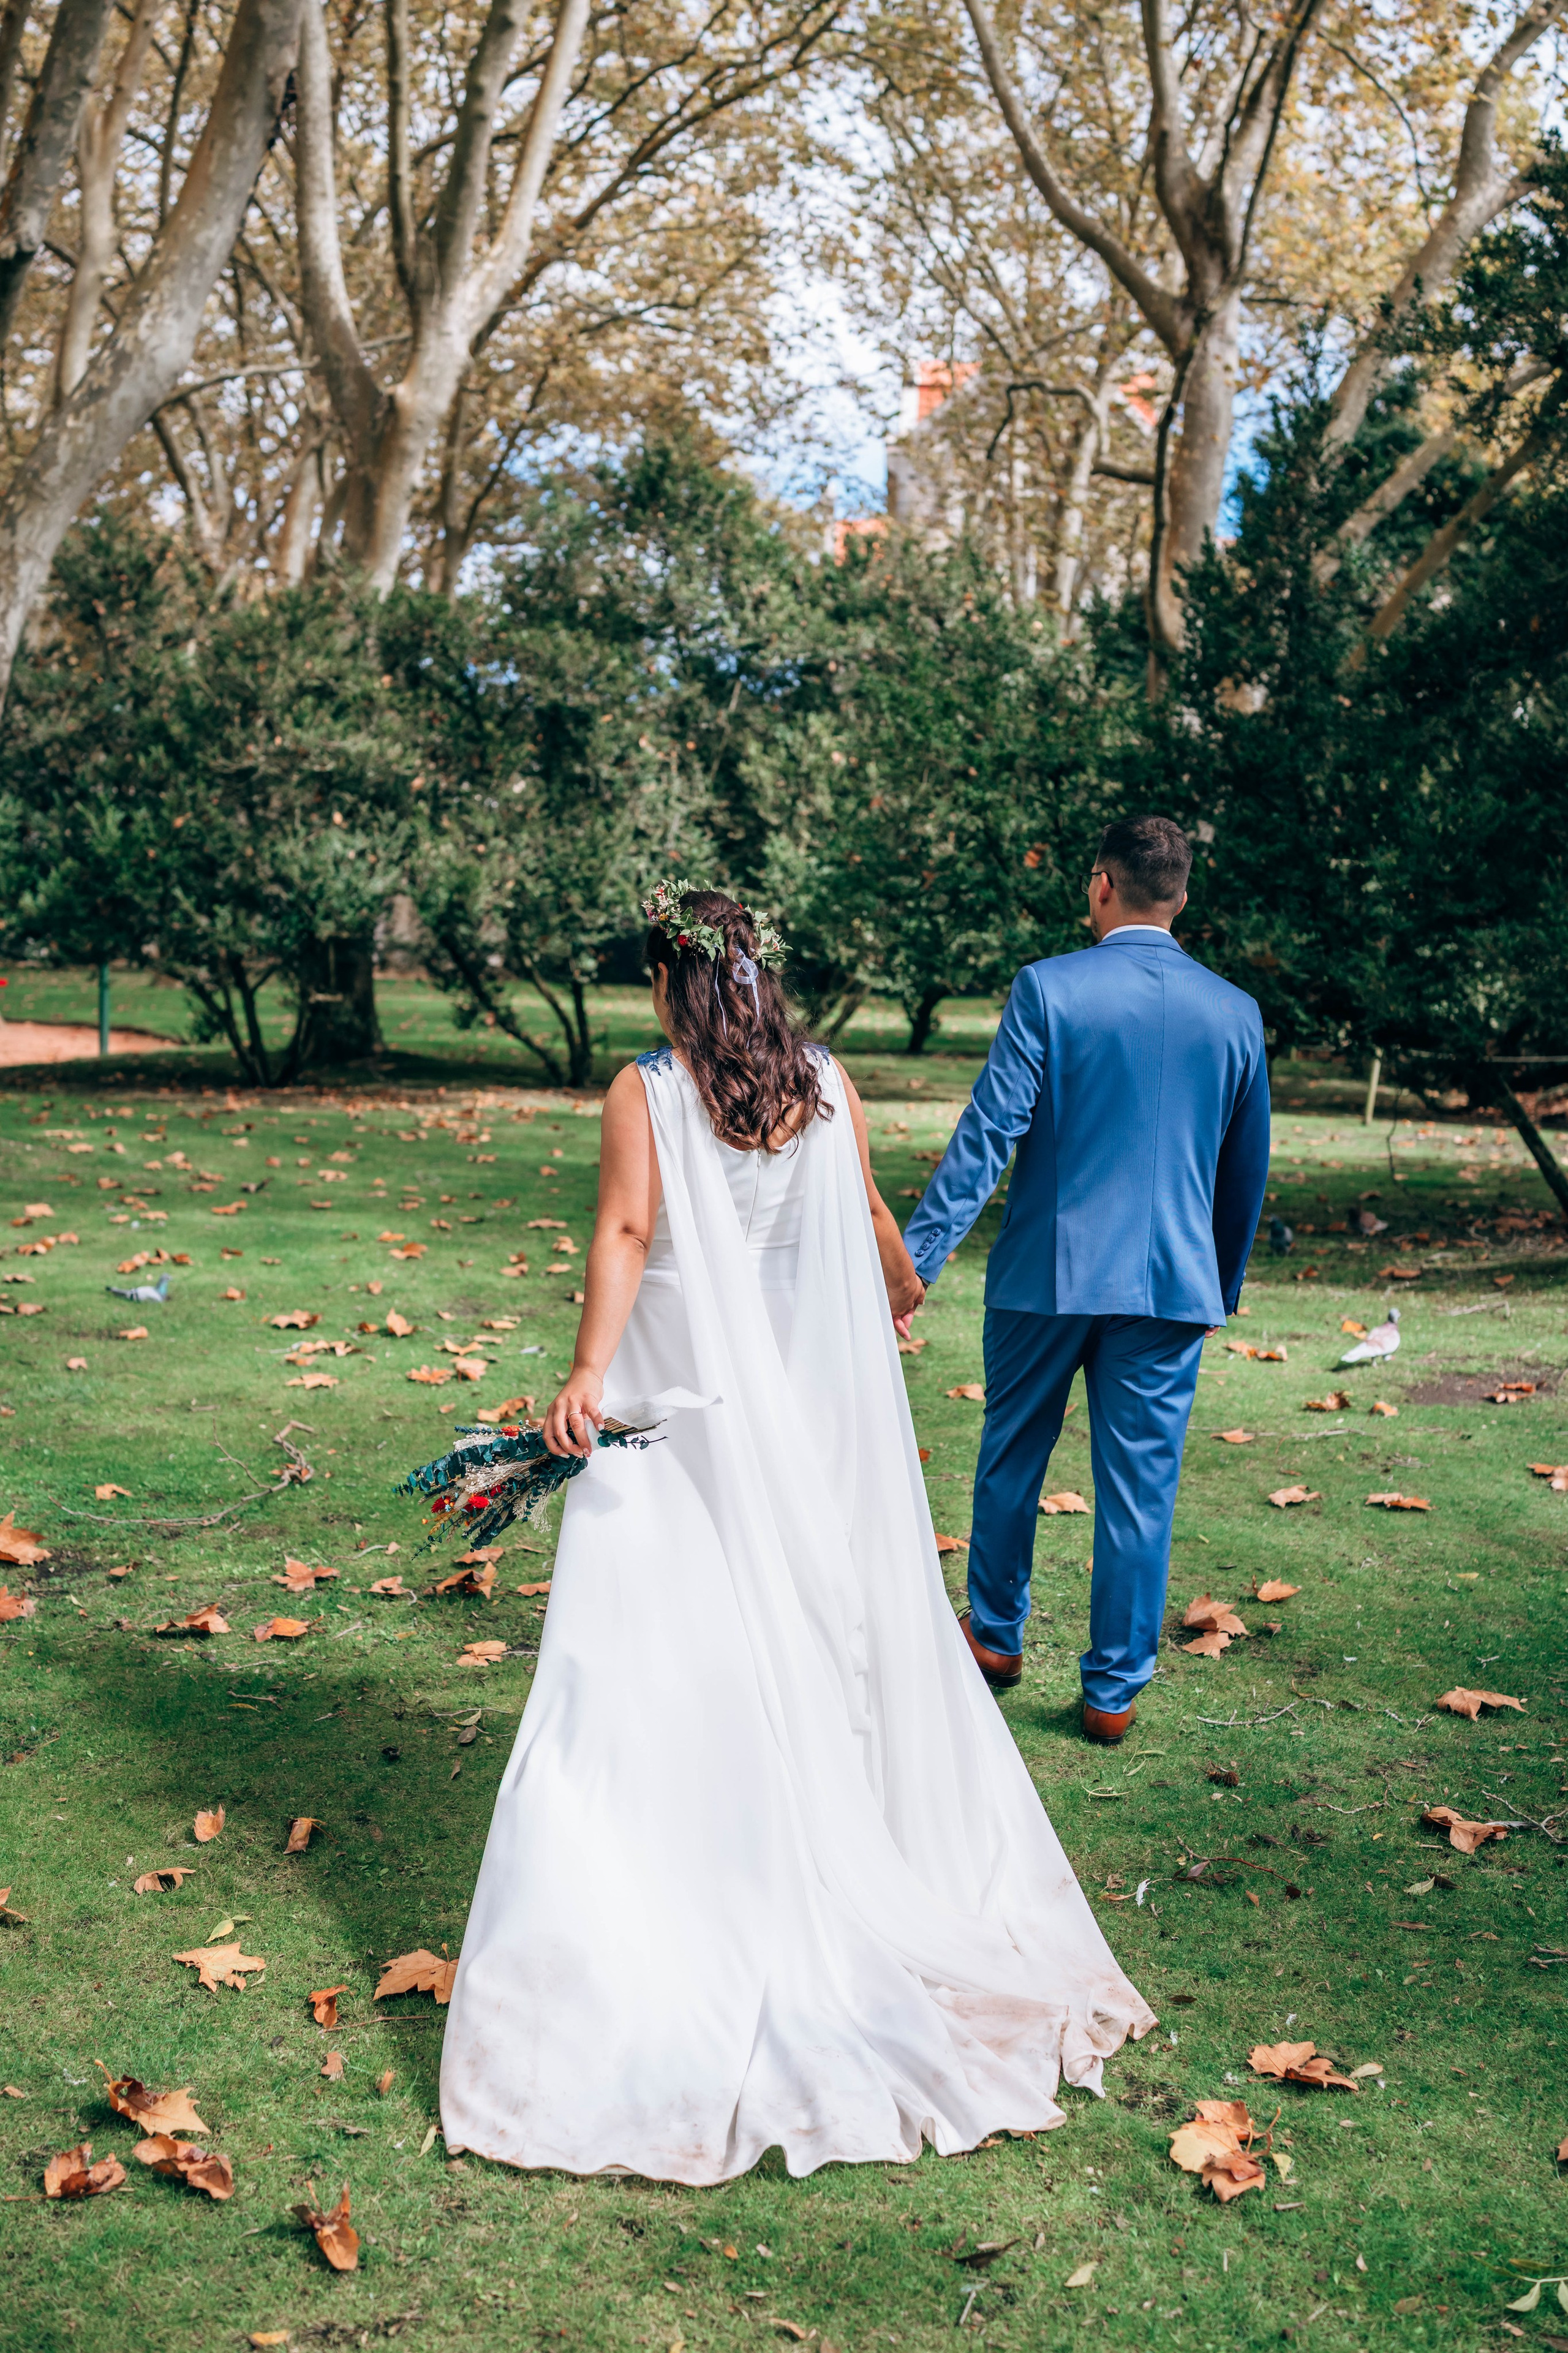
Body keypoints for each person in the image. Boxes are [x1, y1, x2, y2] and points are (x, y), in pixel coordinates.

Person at [439, 882, 1155, 2186]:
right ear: (753, 971)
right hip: (796, 1430)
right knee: (779, 1651)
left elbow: (624, 1228)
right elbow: (869, 1216)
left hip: (673, 1416)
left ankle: (658, 1917)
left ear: (669, 980)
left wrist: (586, 1370)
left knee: (639, 1673)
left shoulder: (642, 1091)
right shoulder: (818, 1080)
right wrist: (898, 1278)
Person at [903, 815, 1271, 1745]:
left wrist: (914, 1265)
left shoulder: (1048, 988)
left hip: (1044, 1277)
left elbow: (990, 1133)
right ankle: (1112, 1692)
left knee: (1012, 1456)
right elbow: (1244, 1172)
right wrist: (1215, 1285)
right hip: (1168, 1288)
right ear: (1180, 896)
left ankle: (993, 1638)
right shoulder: (1234, 1012)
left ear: (1100, 883)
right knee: (1140, 1490)